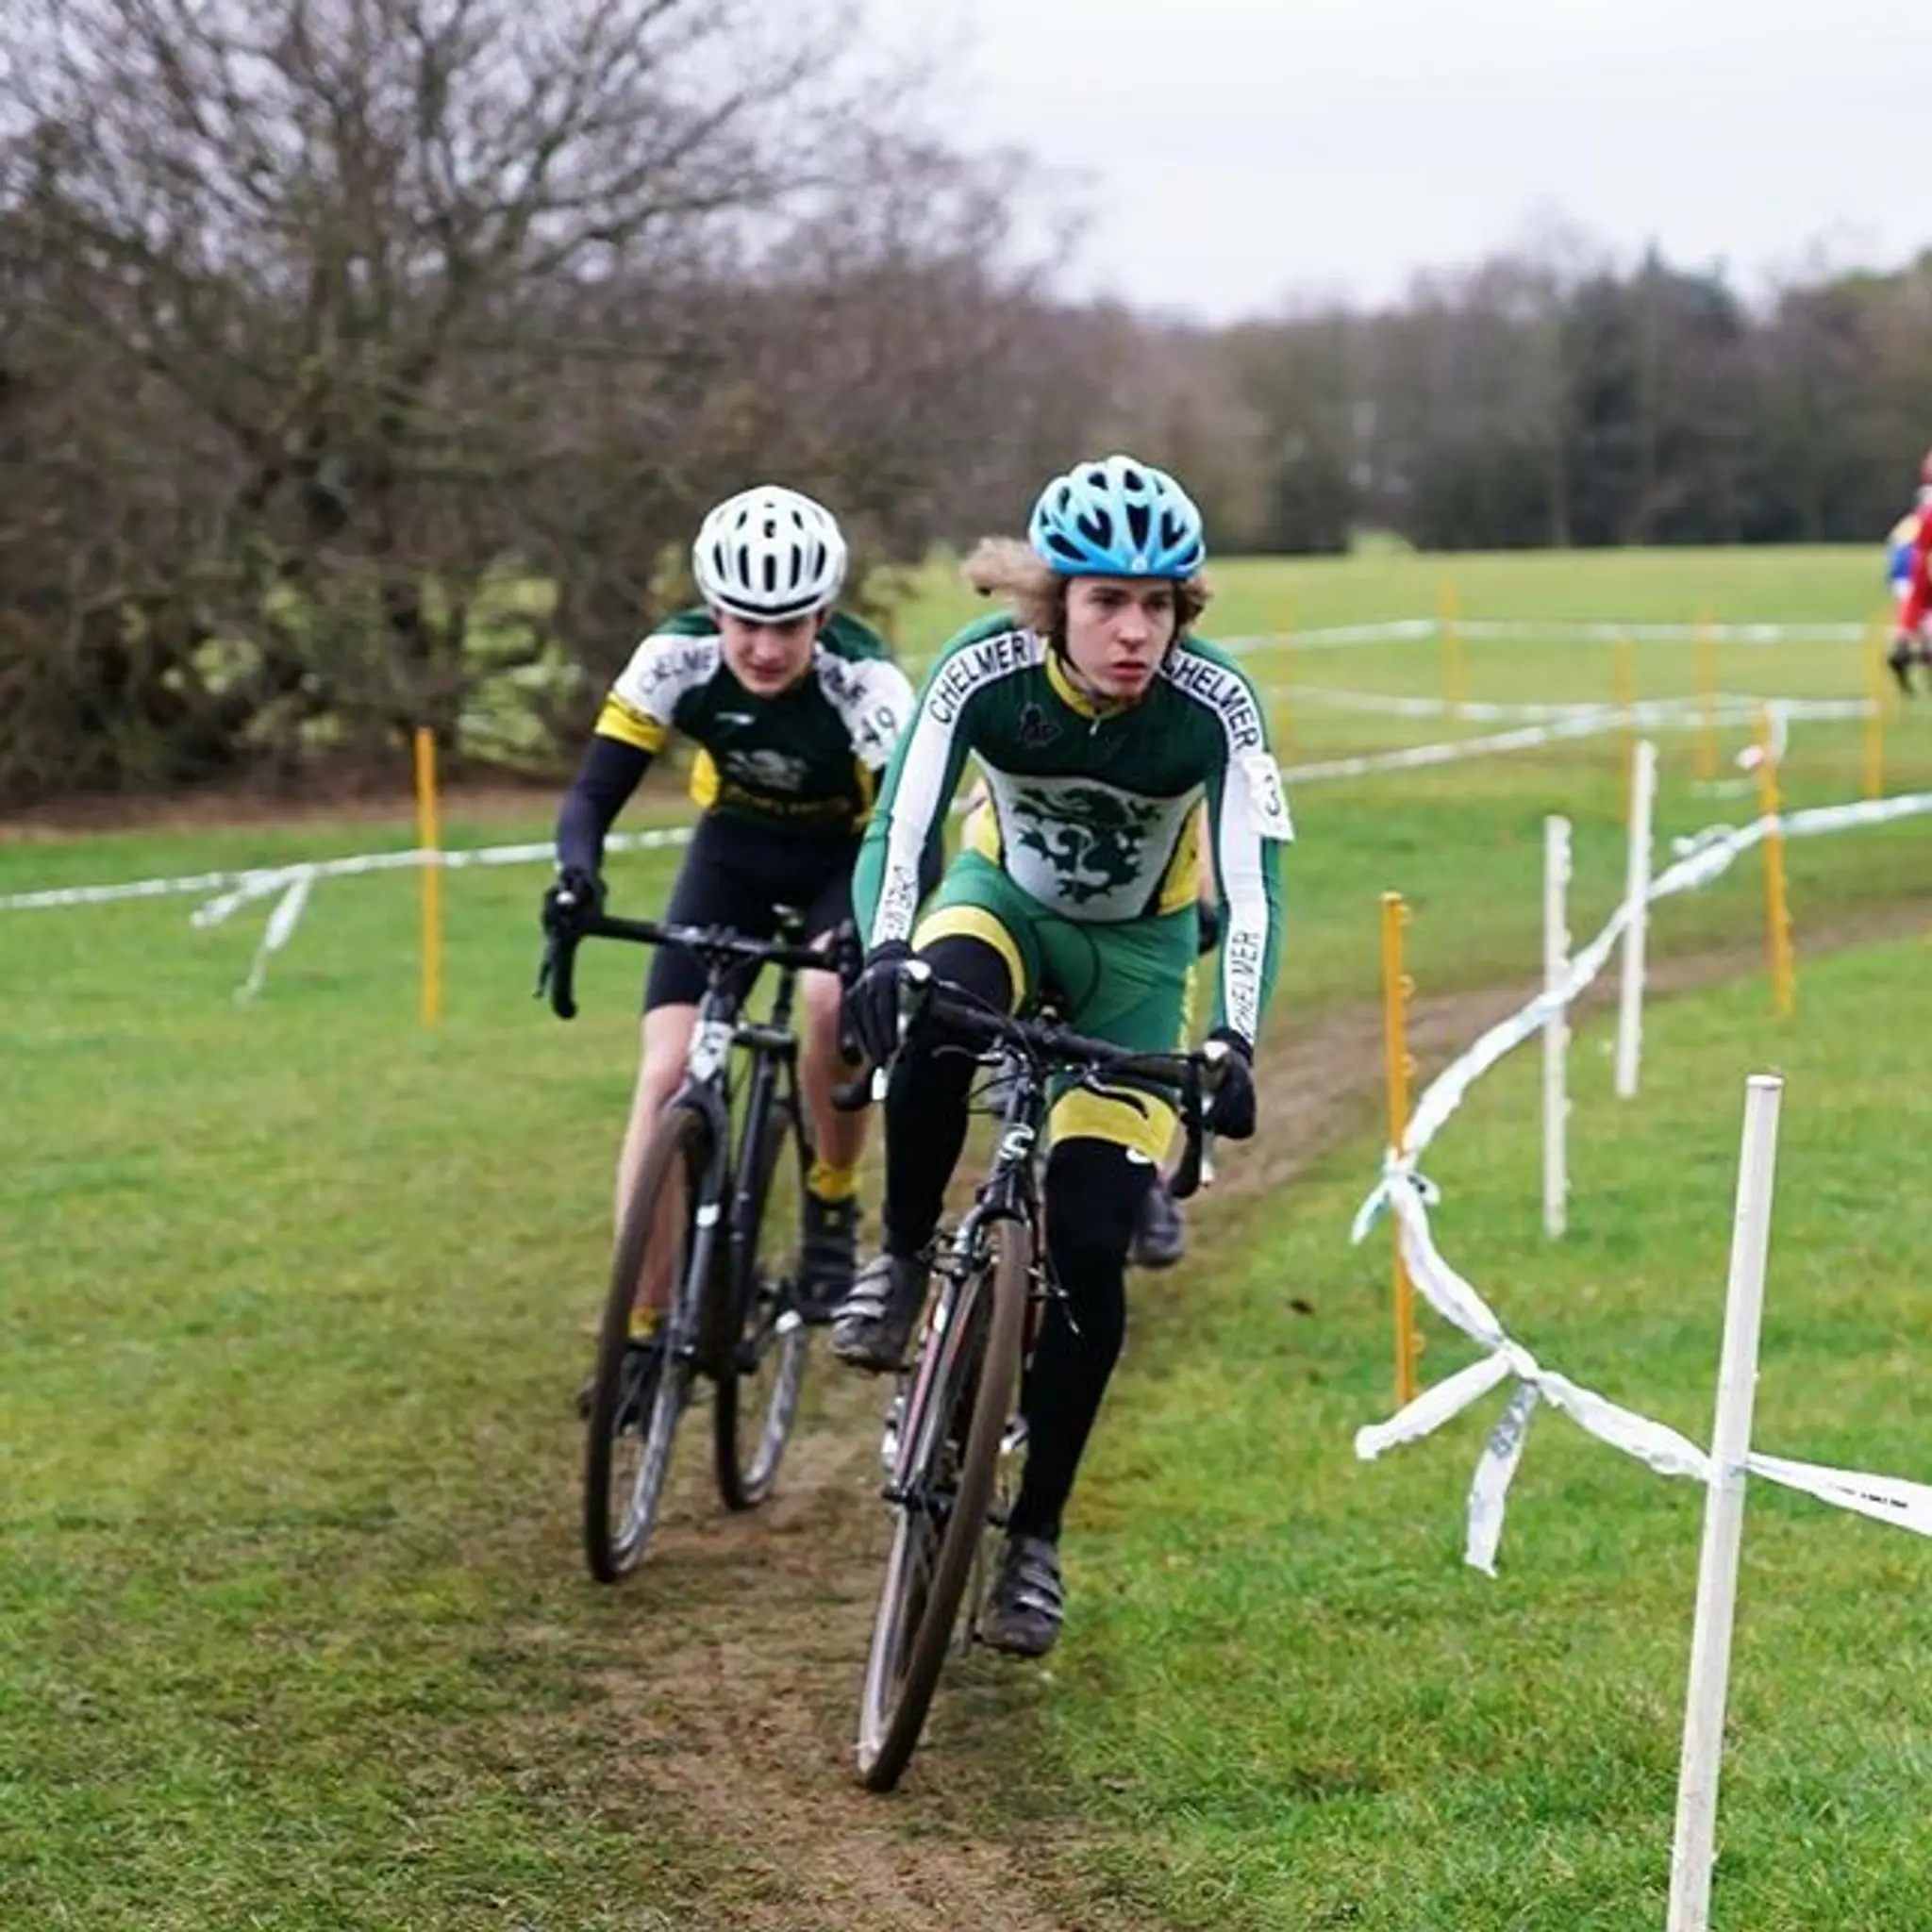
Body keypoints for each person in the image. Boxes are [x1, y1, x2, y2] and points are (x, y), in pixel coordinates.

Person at [834, 454, 1289, 1657]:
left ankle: (1032, 1536)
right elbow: (902, 820)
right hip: (999, 903)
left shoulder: (1215, 704)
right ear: (1053, 602)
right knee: (931, 1010)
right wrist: (883, 948)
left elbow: (1252, 884)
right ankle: (892, 1257)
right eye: (1106, 602)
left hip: (1138, 965)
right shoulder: (981, 671)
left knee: (1090, 1252)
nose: (1134, 631)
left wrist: (1232, 1034)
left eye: (1158, 605)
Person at [544, 484, 915, 1348]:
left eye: (789, 624)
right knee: (666, 1073)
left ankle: (831, 1198)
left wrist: (871, 925)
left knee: (828, 1004)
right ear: (713, 609)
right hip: (732, 853)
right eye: (744, 622)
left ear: (822, 616)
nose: (764, 646)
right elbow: (594, 793)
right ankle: (642, 1326)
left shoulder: (866, 681)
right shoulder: (673, 660)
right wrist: (576, 874)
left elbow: (911, 832)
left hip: (849, 858)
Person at [1886, 450, 1932, 694]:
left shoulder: (1920, 517)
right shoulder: (1926, 518)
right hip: (1913, 569)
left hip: (1907, 572)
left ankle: (1906, 647)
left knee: (1915, 613)